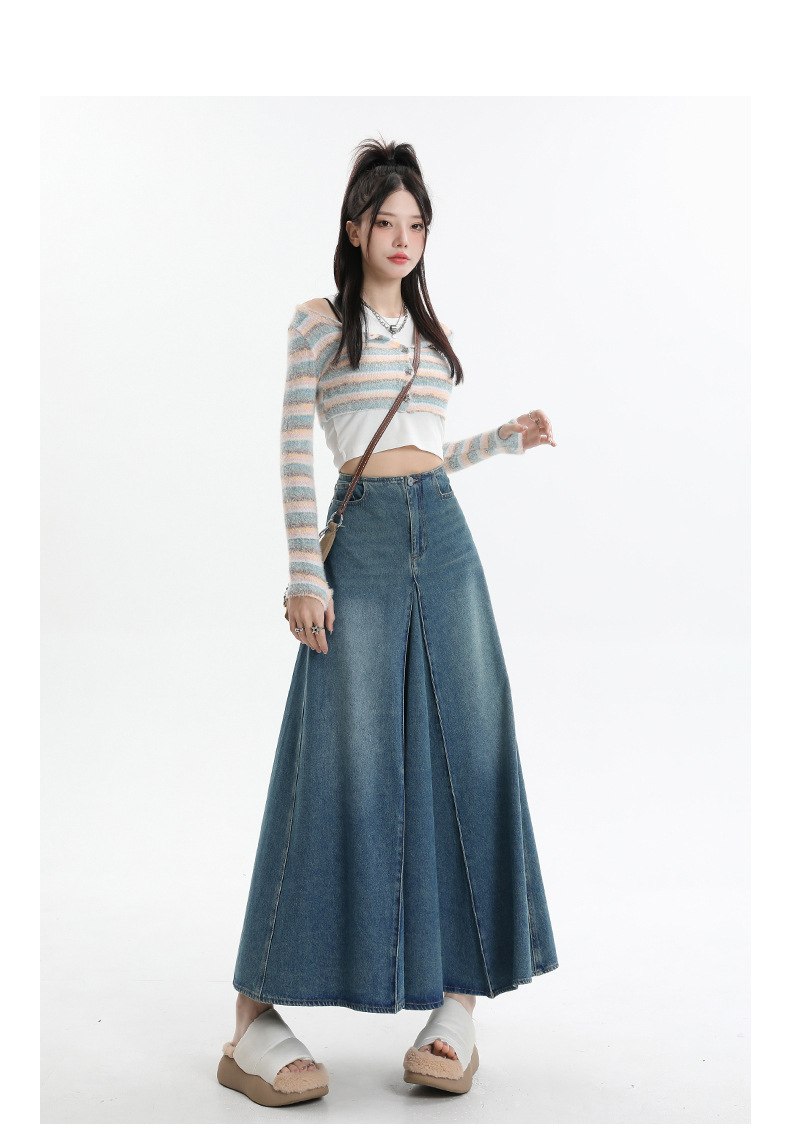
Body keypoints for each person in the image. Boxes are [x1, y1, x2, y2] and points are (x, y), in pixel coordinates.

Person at [216, 138, 559, 1108]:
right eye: (386, 221)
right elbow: (295, 447)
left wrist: (504, 439)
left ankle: (457, 1000)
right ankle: (252, 1014)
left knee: (469, 747)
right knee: (338, 754)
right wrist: (303, 570)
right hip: (358, 543)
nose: (402, 238)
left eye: (416, 224)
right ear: (355, 227)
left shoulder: (427, 332)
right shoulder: (318, 323)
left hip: (444, 540)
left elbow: (427, 449)